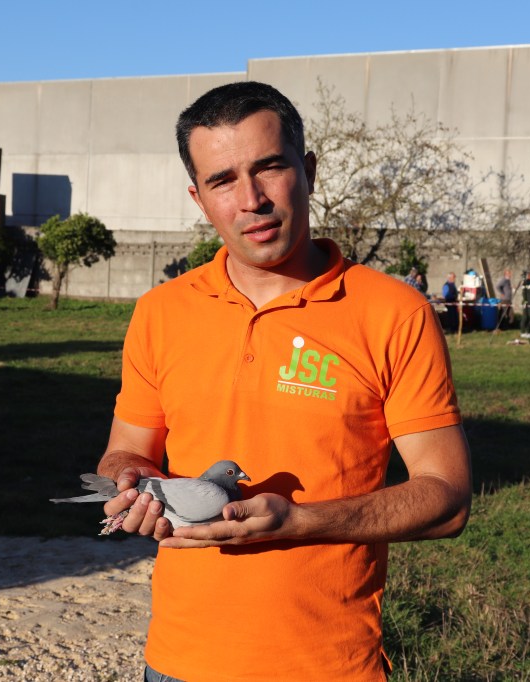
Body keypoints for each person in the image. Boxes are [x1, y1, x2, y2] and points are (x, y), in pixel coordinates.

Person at [94, 81, 471, 682]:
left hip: (327, 667)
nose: (251, 200)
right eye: (222, 180)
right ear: (199, 199)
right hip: (177, 663)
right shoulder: (160, 312)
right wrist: (129, 483)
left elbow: (447, 499)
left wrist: (299, 521)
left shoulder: (394, 313)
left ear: (309, 171)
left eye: (269, 167)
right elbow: (126, 451)